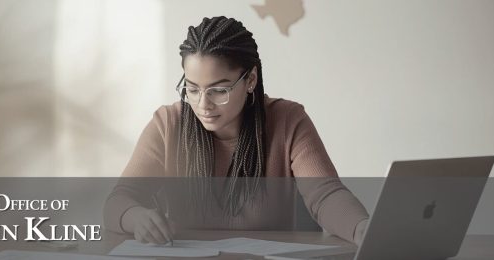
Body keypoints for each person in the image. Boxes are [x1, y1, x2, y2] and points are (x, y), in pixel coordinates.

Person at [104, 16, 369, 246]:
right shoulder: (167, 124)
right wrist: (135, 217)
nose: (203, 105)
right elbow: (118, 201)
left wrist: (361, 228)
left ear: (250, 80)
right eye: (192, 89)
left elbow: (325, 195)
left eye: (219, 90)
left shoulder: (288, 120)